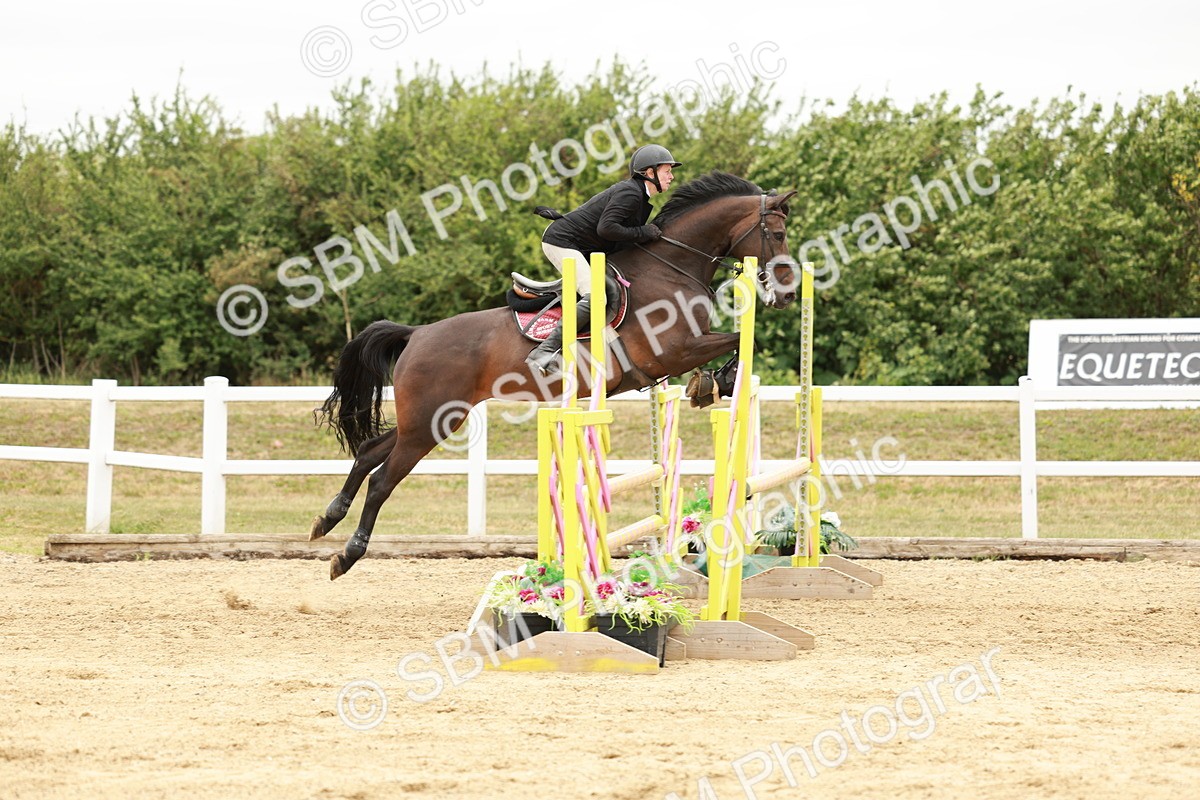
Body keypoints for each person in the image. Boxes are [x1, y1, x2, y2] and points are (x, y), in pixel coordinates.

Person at [525, 143, 682, 375]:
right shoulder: (631, 193)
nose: (671, 176)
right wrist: (644, 232)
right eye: (667, 171)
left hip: (584, 248)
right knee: (596, 297)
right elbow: (607, 228)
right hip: (562, 242)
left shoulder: (638, 196)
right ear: (650, 172)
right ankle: (543, 352)